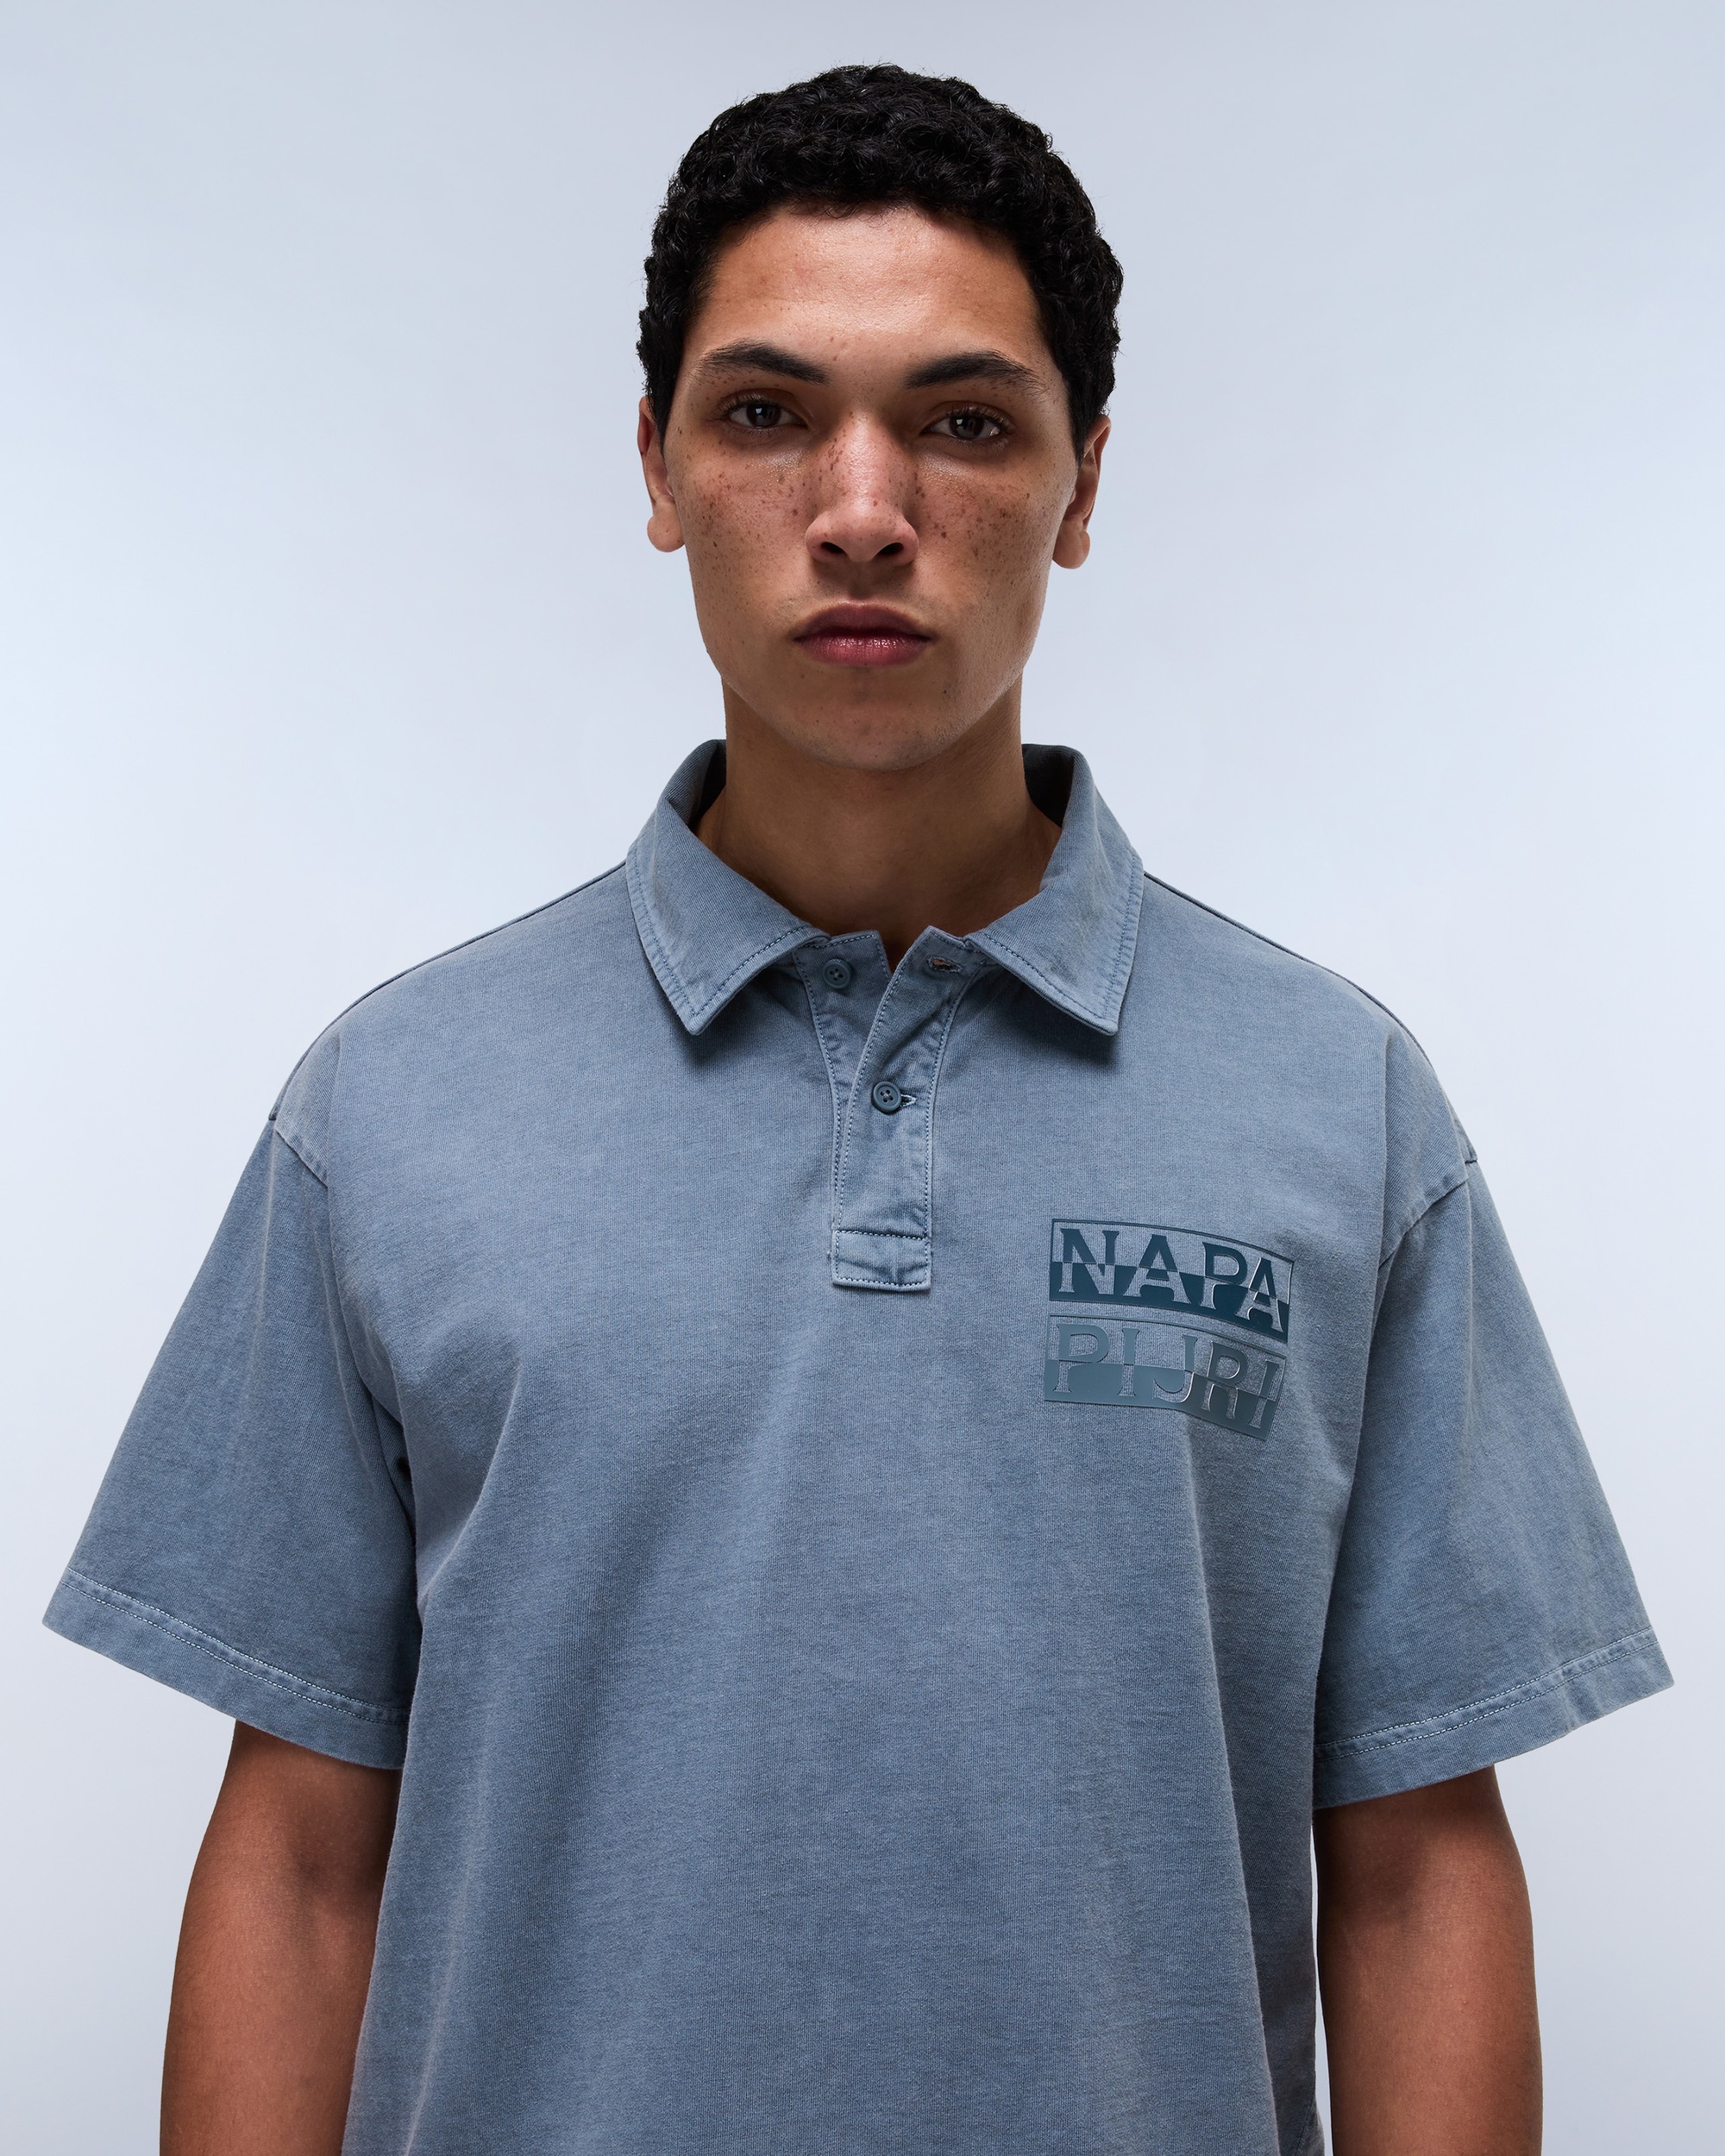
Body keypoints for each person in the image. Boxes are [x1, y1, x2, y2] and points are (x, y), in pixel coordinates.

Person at [47, 64, 1668, 2156]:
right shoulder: (394, 1105)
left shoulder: (1336, 1107)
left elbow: (1417, 1864)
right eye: (766, 412)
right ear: (656, 465)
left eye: (965, 421)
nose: (862, 505)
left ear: (1083, 482)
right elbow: (297, 1861)